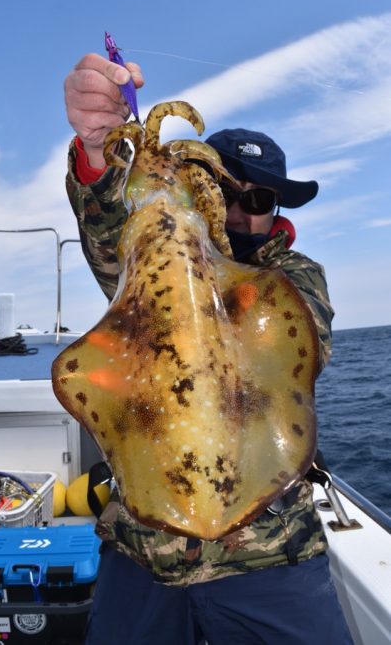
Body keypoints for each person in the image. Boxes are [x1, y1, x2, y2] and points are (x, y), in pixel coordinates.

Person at [63, 53, 353, 645]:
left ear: (277, 211)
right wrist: (98, 157)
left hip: (270, 554)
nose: (242, 211)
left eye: (261, 199)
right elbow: (110, 242)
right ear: (203, 189)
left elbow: (303, 346)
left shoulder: (294, 279)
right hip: (142, 553)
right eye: (226, 191)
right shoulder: (143, 264)